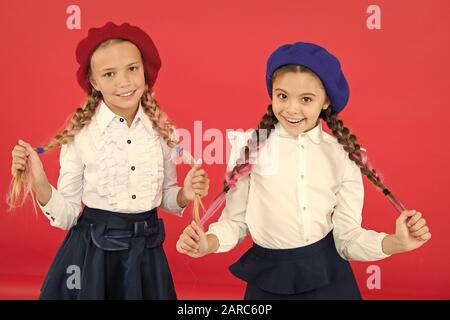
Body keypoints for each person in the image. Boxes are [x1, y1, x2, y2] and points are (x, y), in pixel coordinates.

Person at [176, 42, 431, 300]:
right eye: (282, 96)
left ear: (326, 101)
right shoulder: (249, 149)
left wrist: (395, 243)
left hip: (330, 280)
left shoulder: (343, 156)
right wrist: (208, 242)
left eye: (306, 99)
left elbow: (348, 238)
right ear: (272, 94)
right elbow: (235, 222)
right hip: (269, 279)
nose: (292, 109)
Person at [8, 22, 209, 299]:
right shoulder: (80, 135)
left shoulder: (162, 130)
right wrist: (39, 182)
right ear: (94, 82)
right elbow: (67, 215)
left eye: (132, 69)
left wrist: (185, 194)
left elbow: (166, 197)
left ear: (145, 70)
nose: (123, 82)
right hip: (94, 258)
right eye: (109, 74)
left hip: (146, 256)